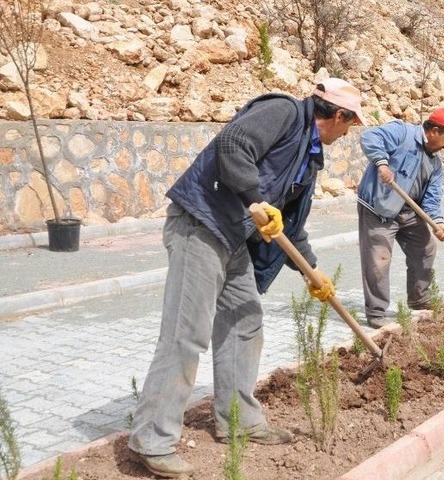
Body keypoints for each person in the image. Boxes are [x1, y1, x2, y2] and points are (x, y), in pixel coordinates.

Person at [128, 78, 365, 478]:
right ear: (339, 115)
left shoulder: (308, 157)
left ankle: (238, 421)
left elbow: (288, 225)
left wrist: (312, 270)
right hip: (201, 224)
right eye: (350, 124)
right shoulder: (284, 112)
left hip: (233, 237)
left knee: (245, 322)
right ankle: (151, 438)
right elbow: (232, 145)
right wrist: (254, 198)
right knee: (186, 333)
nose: (348, 133)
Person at [356, 108, 444, 328]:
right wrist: (382, 163)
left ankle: (419, 298)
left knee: (425, 248)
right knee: (378, 260)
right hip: (379, 209)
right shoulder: (402, 132)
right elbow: (369, 137)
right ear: (434, 131)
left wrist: (438, 222)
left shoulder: (435, 165)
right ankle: (376, 313)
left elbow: (431, 198)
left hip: (408, 212)